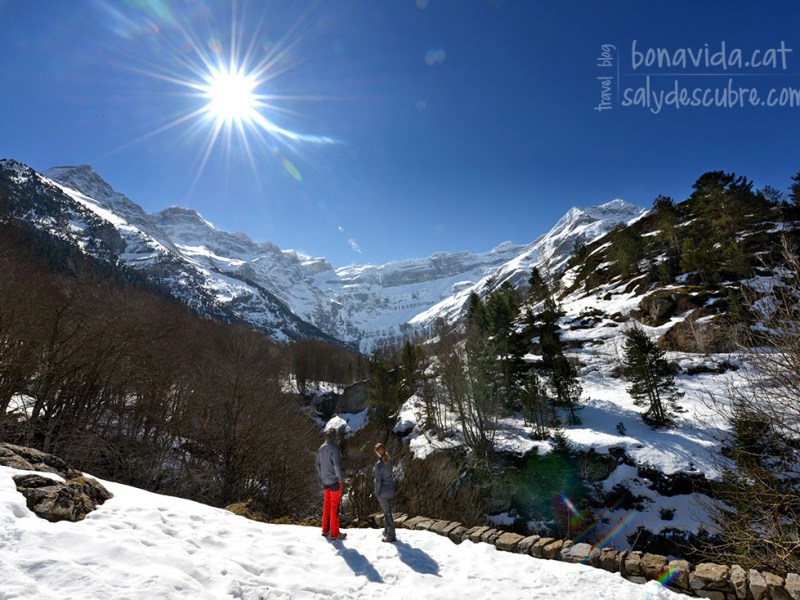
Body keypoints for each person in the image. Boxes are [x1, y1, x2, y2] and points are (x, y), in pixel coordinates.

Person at [316, 428, 346, 540]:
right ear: (334, 437)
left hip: (325, 481)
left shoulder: (321, 447)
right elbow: (337, 466)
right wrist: (341, 479)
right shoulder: (334, 448)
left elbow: (317, 464)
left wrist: (322, 476)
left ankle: (325, 529)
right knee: (335, 507)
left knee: (326, 504)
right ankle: (334, 533)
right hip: (333, 481)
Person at [373, 442, 396, 543]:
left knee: (387, 513)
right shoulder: (389, 460)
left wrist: (377, 492)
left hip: (382, 491)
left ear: (377, 452)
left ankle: (391, 535)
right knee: (387, 511)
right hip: (390, 489)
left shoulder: (379, 465)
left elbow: (378, 481)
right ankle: (387, 530)